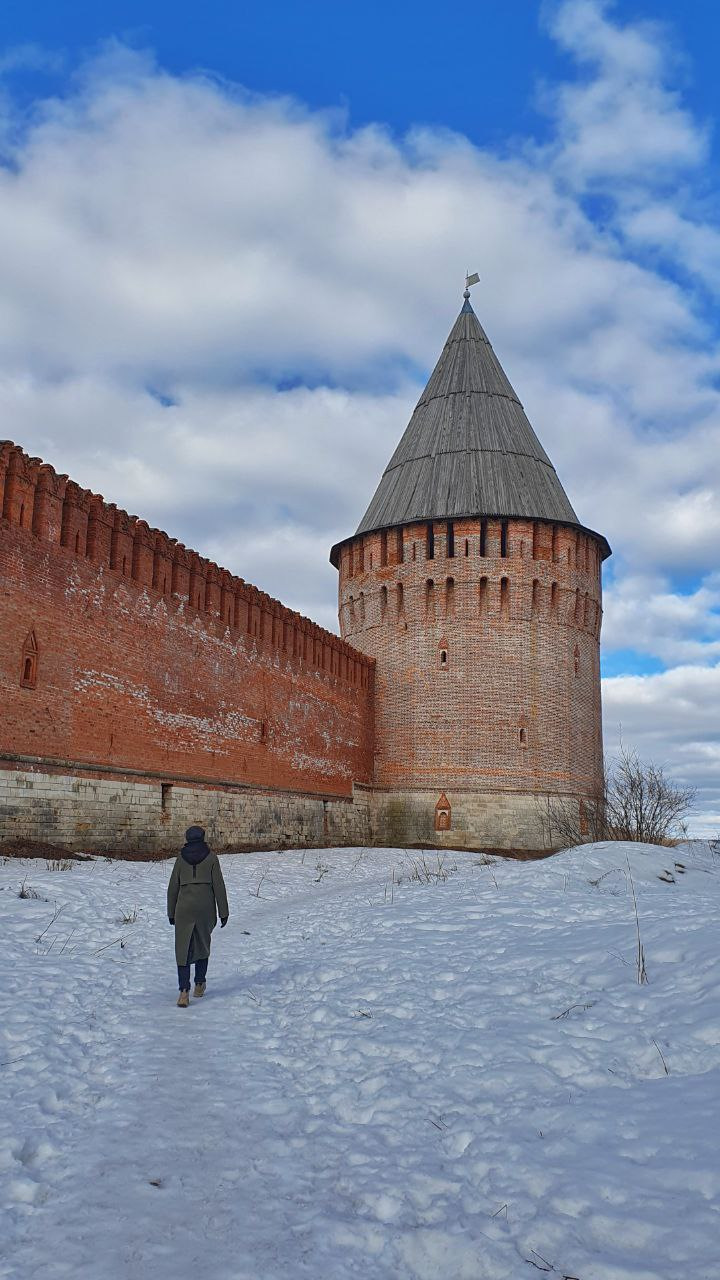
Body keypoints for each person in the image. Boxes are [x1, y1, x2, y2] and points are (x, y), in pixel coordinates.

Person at [167, 825, 229, 1008]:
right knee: (202, 943)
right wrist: (223, 912)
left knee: (182, 949)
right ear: (202, 838)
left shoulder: (180, 859)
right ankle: (200, 984)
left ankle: (183, 992)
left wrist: (171, 912)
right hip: (205, 908)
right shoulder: (211, 858)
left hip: (184, 908)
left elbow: (173, 888)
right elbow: (219, 886)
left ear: (187, 838)